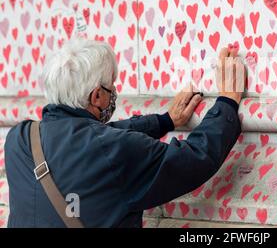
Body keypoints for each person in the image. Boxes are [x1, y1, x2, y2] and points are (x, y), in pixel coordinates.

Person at [5, 39, 245, 227]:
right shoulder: (112, 150)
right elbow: (194, 158)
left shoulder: (19, 140)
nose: (114, 93)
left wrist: (163, 121)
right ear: (96, 96)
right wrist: (227, 102)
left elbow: (90, 140)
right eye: (111, 87)